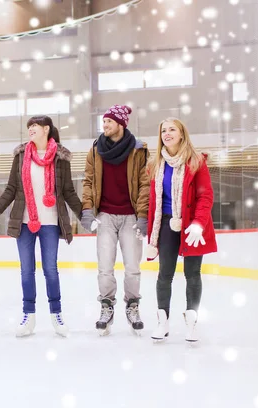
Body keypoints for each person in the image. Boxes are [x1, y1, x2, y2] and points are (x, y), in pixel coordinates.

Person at [0, 115, 83, 337]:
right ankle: (28, 317)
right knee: (27, 271)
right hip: (24, 222)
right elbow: (11, 189)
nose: (30, 129)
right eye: (29, 127)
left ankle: (57, 315)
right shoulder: (22, 155)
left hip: (51, 223)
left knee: (50, 270)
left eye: (34, 126)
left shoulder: (60, 158)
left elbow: (69, 192)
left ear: (46, 129)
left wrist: (85, 215)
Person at [145, 117, 217, 343]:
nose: (167, 133)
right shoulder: (157, 164)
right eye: (163, 130)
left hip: (192, 225)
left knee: (192, 274)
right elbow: (153, 201)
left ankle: (191, 323)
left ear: (182, 134)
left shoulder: (196, 161)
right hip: (166, 224)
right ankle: (163, 322)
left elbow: (205, 196)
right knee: (164, 275)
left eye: (172, 129)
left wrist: (198, 223)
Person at [81, 105, 150, 335]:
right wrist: (88, 210)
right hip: (105, 216)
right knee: (105, 267)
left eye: (109, 122)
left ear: (121, 124)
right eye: (104, 123)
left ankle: (132, 306)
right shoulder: (95, 150)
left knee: (132, 267)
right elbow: (89, 181)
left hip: (130, 216)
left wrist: (142, 217)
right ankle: (106, 306)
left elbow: (144, 185)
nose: (105, 126)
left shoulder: (138, 150)